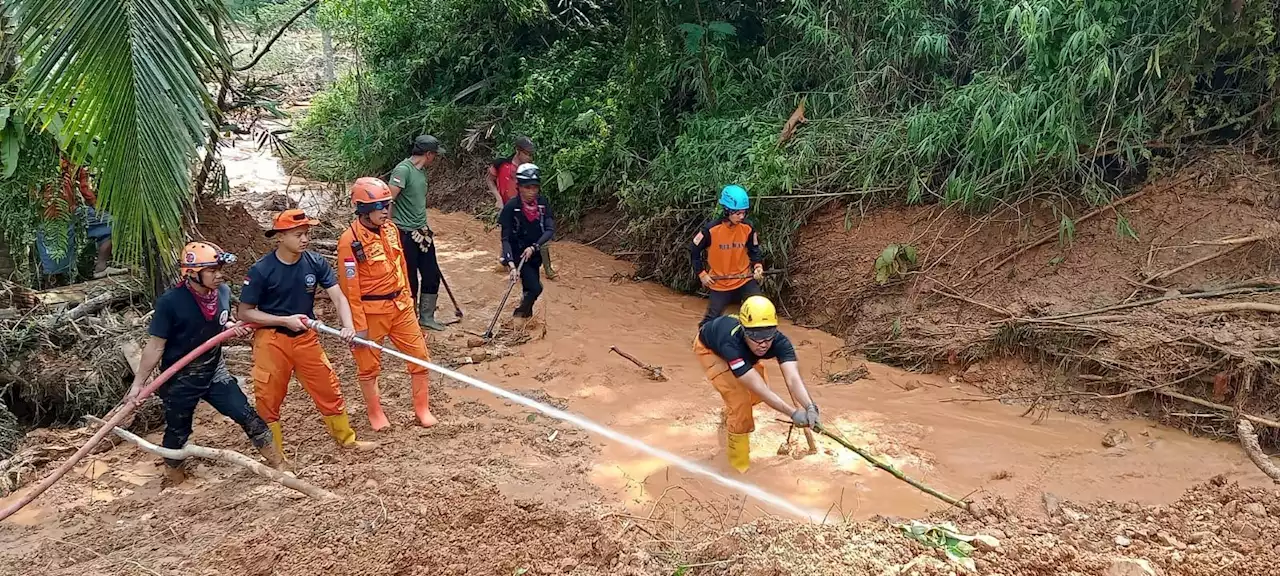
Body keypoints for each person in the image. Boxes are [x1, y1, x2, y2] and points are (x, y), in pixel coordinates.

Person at [124, 242, 285, 485]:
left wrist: (231, 327)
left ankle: (280, 465)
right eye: (212, 270)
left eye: (220, 268)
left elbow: (222, 320)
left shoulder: (222, 292)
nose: (219, 275)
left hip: (213, 369)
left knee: (246, 414)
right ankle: (174, 478)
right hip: (180, 376)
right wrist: (139, 384)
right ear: (191, 273)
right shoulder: (171, 302)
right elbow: (155, 346)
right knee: (178, 431)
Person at [238, 209, 377, 455]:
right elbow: (246, 313)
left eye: (306, 234)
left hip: (306, 339)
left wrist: (348, 326)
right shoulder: (262, 270)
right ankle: (275, 457)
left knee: (329, 388)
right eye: (298, 234)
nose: (304, 239)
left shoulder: (315, 262)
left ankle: (347, 440)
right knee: (268, 398)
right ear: (280, 237)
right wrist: (283, 320)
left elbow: (338, 296)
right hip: (271, 341)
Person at [336, 177, 438, 430]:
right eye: (379, 206)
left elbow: (401, 268)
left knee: (420, 357)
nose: (384, 210)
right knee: (368, 366)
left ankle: (422, 409)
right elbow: (350, 288)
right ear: (362, 209)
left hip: (401, 307)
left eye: (386, 205)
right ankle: (375, 413)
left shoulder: (391, 230)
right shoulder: (349, 242)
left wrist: (409, 302)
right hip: (371, 313)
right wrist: (357, 325)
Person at [693, 295, 819, 473]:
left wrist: (809, 405)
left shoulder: (780, 342)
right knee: (741, 402)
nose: (763, 344)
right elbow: (759, 387)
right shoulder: (732, 344)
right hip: (711, 350)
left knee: (755, 397)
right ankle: (738, 465)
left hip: (743, 355)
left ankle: (728, 413)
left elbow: (793, 379)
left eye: (768, 335)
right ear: (744, 331)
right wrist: (792, 413)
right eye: (755, 336)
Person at [388, 134, 447, 331]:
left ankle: (427, 317)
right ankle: (409, 317)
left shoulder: (421, 172)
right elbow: (389, 199)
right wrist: (388, 229)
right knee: (409, 277)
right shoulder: (403, 170)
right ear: (428, 154)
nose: (435, 159)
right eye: (435, 155)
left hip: (422, 231)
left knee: (431, 274)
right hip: (404, 232)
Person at [691, 184, 765, 327]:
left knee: (759, 310)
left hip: (744, 279)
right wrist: (702, 274)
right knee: (711, 320)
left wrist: (758, 267)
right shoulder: (710, 230)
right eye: (737, 213)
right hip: (720, 283)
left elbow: (754, 250)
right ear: (726, 210)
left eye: (744, 213)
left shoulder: (748, 228)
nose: (741, 217)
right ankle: (703, 341)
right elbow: (694, 251)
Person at [487, 136, 556, 279]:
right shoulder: (501, 164)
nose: (529, 157)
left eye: (531, 154)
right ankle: (507, 261)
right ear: (517, 151)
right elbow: (489, 179)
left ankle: (548, 269)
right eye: (527, 154)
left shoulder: (530, 170)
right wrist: (498, 198)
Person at [498, 163, 556, 318]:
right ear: (519, 187)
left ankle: (524, 319)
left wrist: (534, 247)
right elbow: (505, 238)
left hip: (534, 253)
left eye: (535, 187)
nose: (531, 192)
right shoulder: (511, 207)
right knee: (536, 288)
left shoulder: (543, 204)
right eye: (527, 187)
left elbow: (550, 229)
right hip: (518, 253)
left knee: (530, 287)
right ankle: (519, 315)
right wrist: (511, 265)